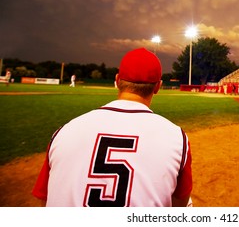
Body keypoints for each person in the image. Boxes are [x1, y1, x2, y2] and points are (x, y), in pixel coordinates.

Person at [32, 48, 193, 207]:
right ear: (158, 86)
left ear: (117, 81)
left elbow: (43, 200)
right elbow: (180, 204)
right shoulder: (176, 138)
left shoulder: (64, 132)